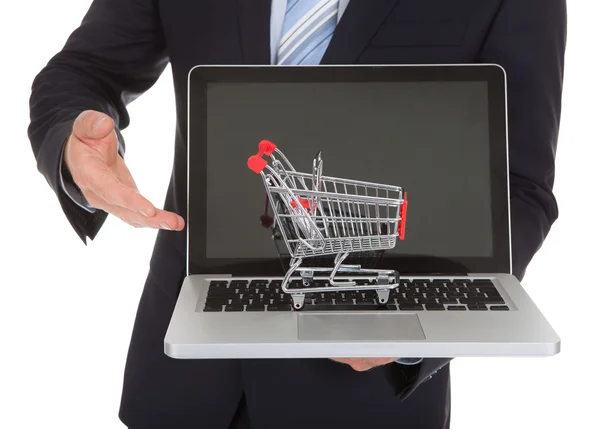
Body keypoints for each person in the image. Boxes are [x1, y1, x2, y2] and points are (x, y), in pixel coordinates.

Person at [28, 0, 566, 428]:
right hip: (182, 380)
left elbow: (521, 188)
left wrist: (413, 337)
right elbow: (85, 69)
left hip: (366, 401)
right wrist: (75, 142)